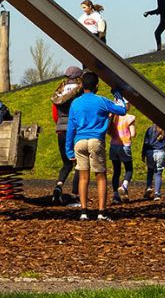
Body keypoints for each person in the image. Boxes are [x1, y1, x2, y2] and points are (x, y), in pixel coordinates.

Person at [65, 71, 128, 222]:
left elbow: (71, 128)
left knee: (83, 177)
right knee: (100, 177)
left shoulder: (75, 103)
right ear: (97, 86)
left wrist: (68, 149)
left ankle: (84, 211)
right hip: (95, 140)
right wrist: (118, 95)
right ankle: (101, 212)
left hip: (79, 142)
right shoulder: (101, 101)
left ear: (82, 86)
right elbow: (123, 110)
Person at [50, 66, 82, 204]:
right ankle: (75, 196)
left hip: (61, 130)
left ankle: (58, 186)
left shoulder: (59, 93)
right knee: (79, 164)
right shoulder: (80, 92)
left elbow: (55, 115)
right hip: (75, 130)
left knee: (66, 163)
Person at [109, 101, 136, 203]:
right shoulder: (129, 118)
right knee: (129, 169)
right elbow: (132, 134)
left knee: (116, 171)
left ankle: (115, 195)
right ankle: (124, 186)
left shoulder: (114, 118)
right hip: (125, 145)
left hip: (113, 146)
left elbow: (109, 132)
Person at [142, 124, 165, 200]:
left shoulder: (150, 129)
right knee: (158, 173)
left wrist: (143, 154)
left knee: (150, 171)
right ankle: (157, 194)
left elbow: (145, 142)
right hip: (161, 152)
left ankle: (149, 187)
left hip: (150, 152)